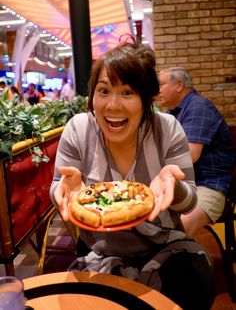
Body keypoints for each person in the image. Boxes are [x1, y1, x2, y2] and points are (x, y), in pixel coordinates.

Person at [50, 42, 215, 310]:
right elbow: (60, 188)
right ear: (92, 96)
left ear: (146, 99)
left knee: (197, 283)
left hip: (164, 246)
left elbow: (189, 202)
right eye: (103, 91)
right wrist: (64, 191)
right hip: (99, 251)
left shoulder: (167, 129)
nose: (113, 105)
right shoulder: (78, 130)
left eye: (127, 92)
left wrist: (175, 186)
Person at [158, 67, 235, 237]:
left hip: (209, 185)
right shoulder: (173, 111)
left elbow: (190, 155)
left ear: (179, 85)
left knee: (176, 231)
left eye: (162, 84)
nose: (158, 90)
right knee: (148, 220)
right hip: (185, 183)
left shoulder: (198, 107)